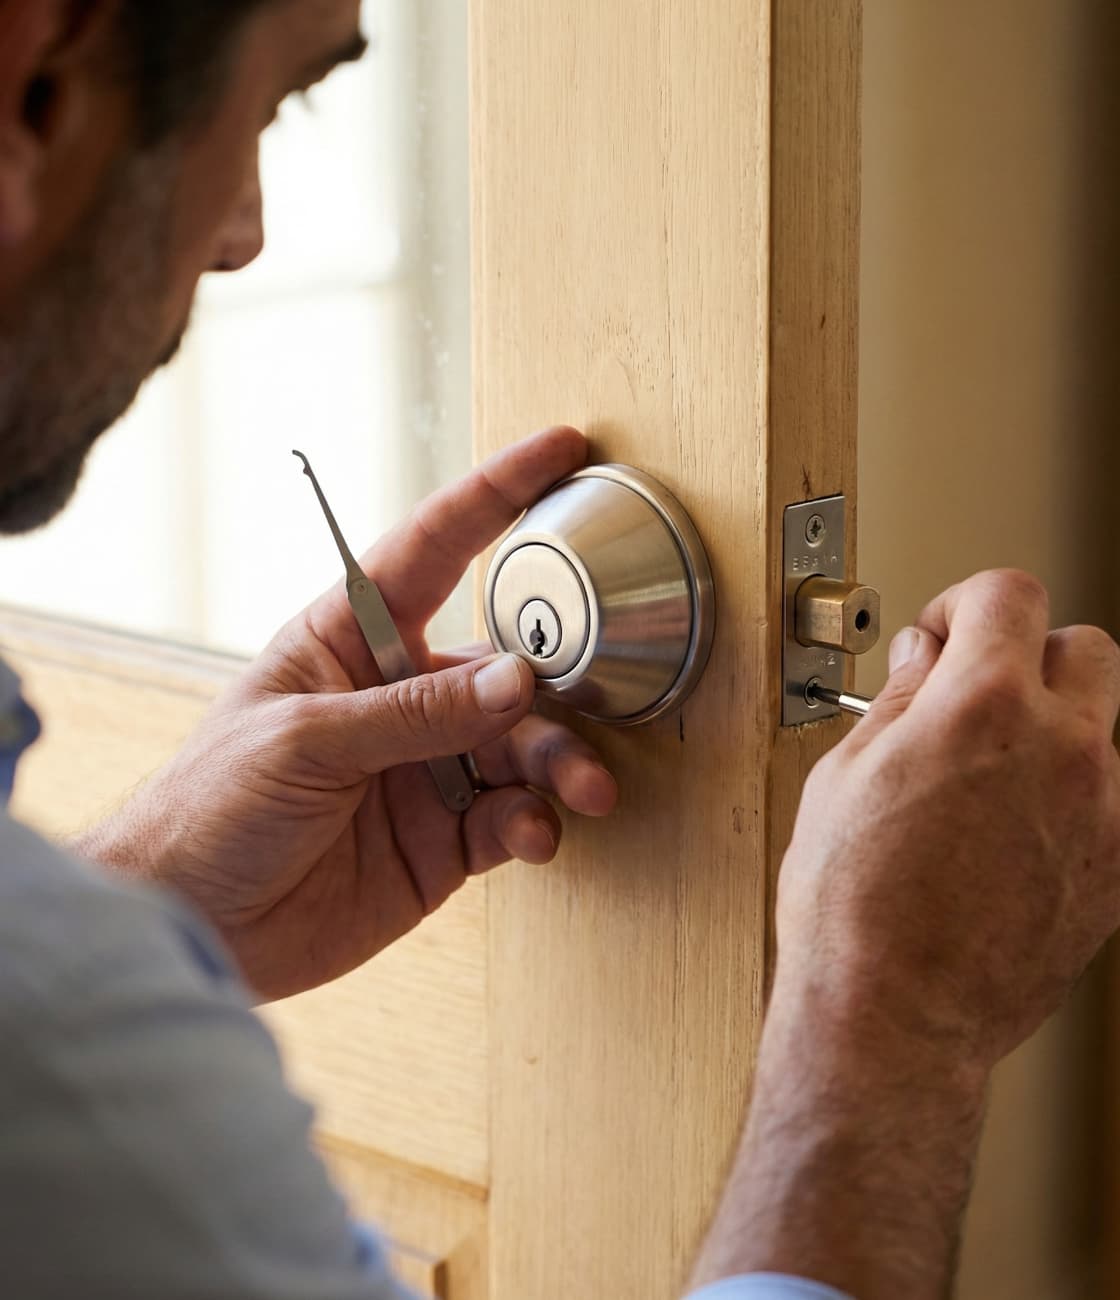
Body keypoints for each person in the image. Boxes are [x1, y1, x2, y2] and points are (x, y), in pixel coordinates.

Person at [2, 3, 1118, 1298]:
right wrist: (892, 1021)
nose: (246, 236)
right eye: (272, 104)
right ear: (41, 84)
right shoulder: (66, 1076)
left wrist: (154, 902)